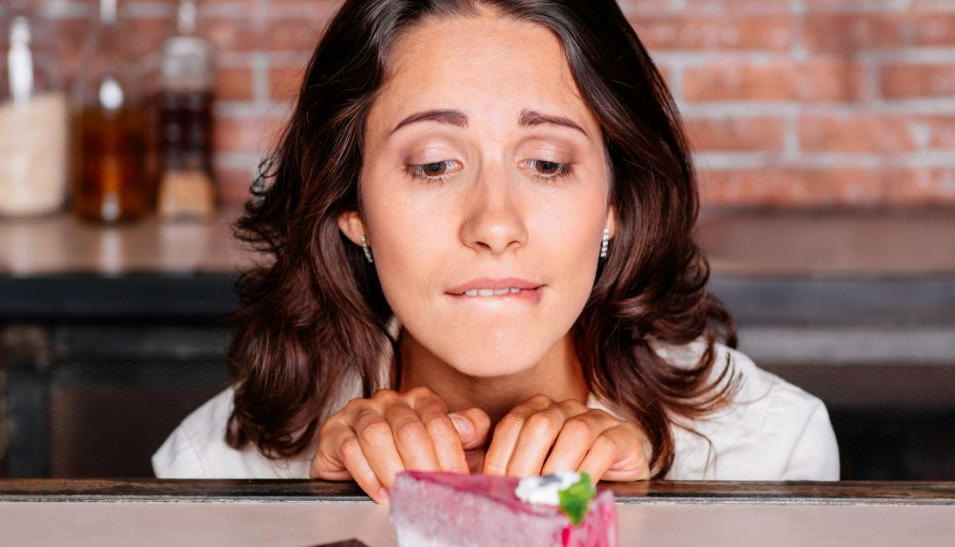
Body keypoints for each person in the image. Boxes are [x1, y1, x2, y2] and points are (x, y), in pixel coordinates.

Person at [153, 0, 839, 502]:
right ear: (351, 209)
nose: (494, 222)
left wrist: (650, 518)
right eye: (432, 165)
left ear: (614, 203)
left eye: (545, 163)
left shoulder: (769, 451)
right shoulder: (213, 467)